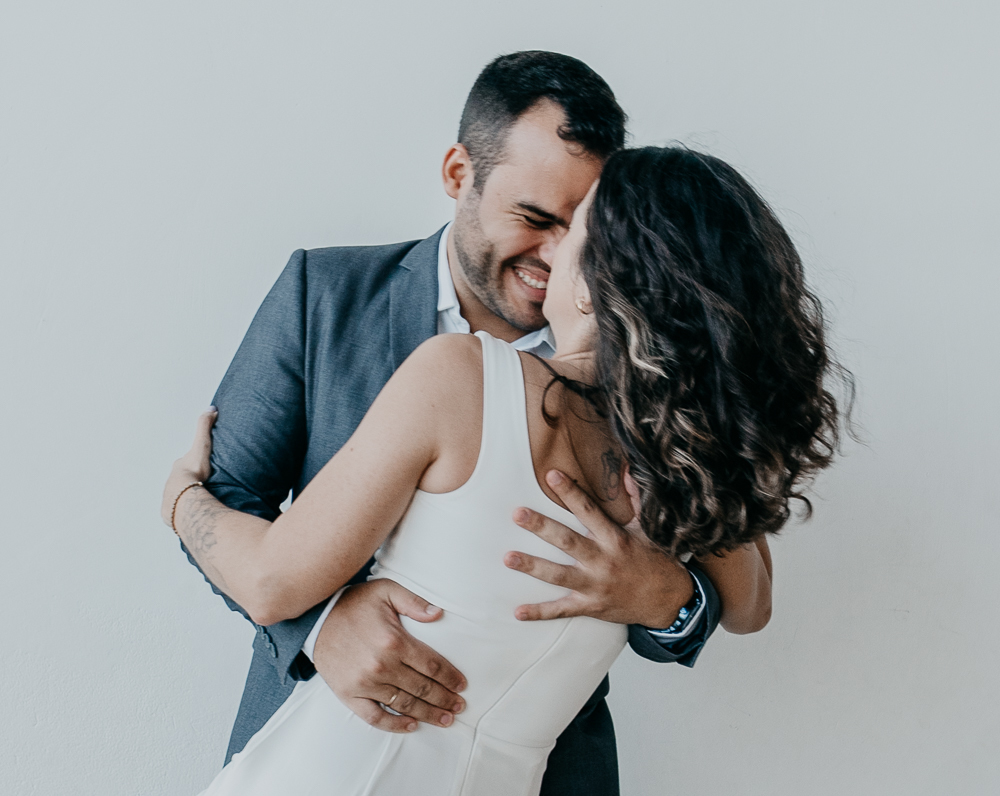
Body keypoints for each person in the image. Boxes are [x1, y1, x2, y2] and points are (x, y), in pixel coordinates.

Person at [165, 103, 847, 795]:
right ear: (460, 174)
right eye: (538, 218)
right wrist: (322, 626)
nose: (551, 253)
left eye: (577, 229)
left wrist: (181, 499)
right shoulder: (678, 455)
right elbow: (753, 604)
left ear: (604, 281)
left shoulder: (458, 374)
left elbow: (269, 581)